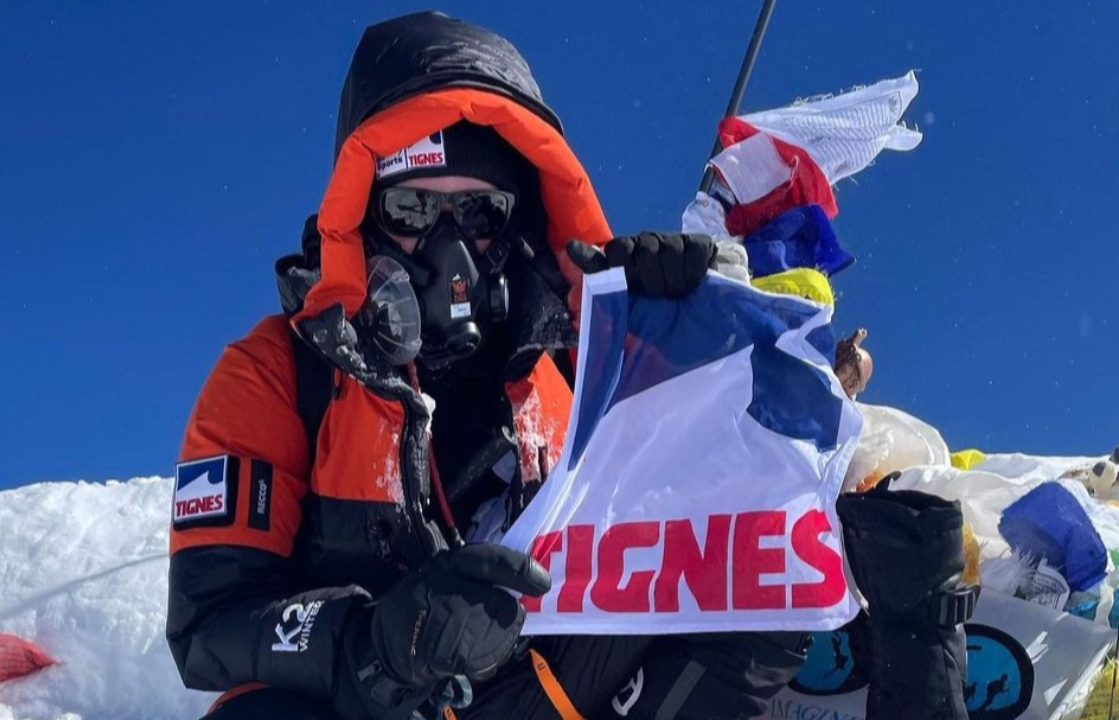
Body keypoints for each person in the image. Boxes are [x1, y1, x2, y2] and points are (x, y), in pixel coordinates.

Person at [167, 11, 973, 720]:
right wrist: (375, 646)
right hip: (365, 704)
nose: (450, 249)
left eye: (479, 213)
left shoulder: (587, 361)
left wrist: (694, 328)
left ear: (520, 224)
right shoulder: (281, 371)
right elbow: (210, 625)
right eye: (413, 208)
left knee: (749, 574)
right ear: (362, 218)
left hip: (542, 691)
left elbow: (734, 490)